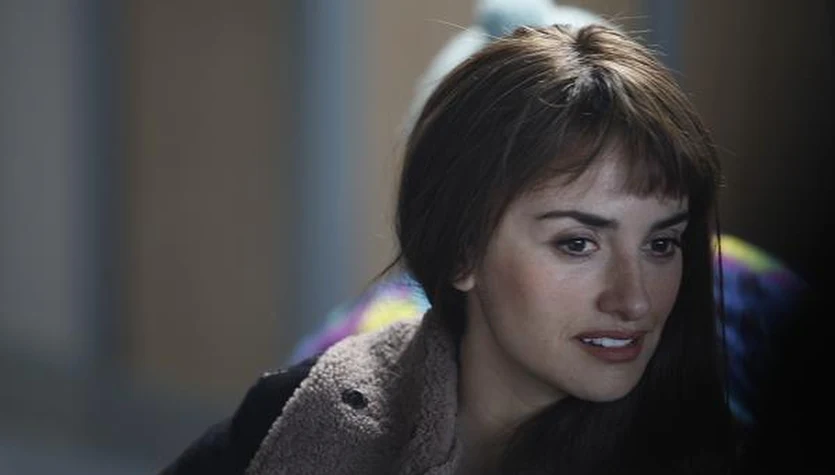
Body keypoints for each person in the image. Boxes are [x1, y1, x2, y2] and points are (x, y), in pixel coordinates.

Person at [163, 23, 737, 474]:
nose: (635, 300)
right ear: (463, 249)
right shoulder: (301, 414)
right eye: (578, 243)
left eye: (661, 243)